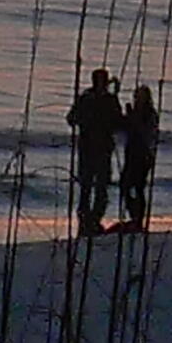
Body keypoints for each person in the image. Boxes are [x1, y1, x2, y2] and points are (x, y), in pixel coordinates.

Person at [65, 67, 123, 237]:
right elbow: (71, 119)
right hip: (93, 147)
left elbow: (72, 119)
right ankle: (89, 217)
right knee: (91, 185)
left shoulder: (94, 98)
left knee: (95, 186)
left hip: (96, 148)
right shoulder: (98, 99)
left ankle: (91, 219)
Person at [117, 82, 160, 232]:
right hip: (131, 153)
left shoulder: (150, 114)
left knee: (138, 186)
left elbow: (143, 132)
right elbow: (123, 127)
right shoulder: (135, 112)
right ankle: (134, 214)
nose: (138, 99)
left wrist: (132, 118)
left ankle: (138, 218)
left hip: (143, 154)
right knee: (125, 186)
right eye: (137, 96)